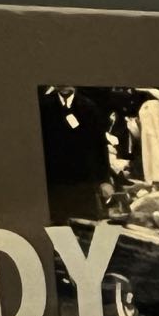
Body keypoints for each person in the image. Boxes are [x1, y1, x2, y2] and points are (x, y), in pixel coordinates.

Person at [38, 86, 110, 223]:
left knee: (85, 225)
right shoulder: (44, 106)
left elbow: (100, 146)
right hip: (54, 184)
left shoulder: (89, 107)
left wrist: (104, 180)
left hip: (83, 182)